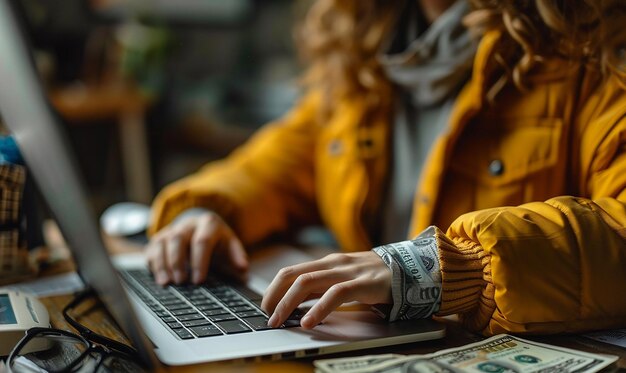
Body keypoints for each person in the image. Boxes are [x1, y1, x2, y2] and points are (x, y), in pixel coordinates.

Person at [146, 0, 626, 337]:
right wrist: (204, 211)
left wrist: (446, 270)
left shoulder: (595, 44)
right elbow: (278, 162)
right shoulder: (363, 46)